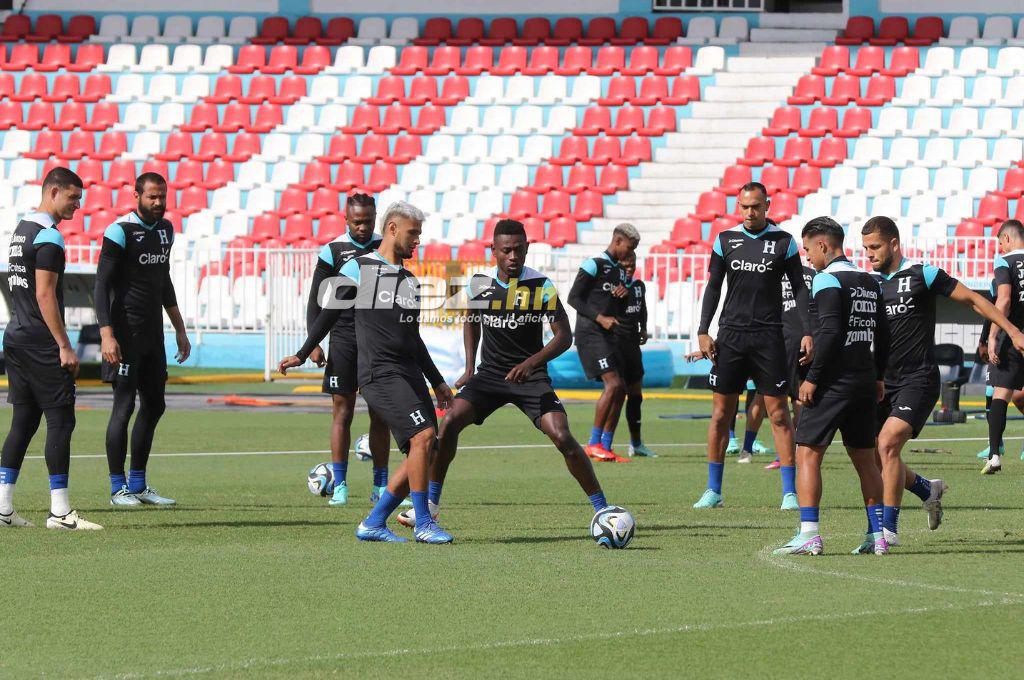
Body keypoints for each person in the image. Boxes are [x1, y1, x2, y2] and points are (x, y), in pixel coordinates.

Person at [396, 219, 615, 530]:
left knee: (562, 435)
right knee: (450, 421)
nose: (514, 256)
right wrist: (471, 366)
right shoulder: (480, 284)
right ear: (493, 251)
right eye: (507, 251)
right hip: (489, 376)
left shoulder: (541, 286)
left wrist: (531, 363)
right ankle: (430, 505)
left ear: (527, 250)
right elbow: (472, 321)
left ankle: (602, 508)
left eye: (520, 250)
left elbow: (564, 336)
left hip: (531, 378)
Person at [279, 201, 455, 544]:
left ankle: (374, 522)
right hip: (379, 373)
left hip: (408, 372)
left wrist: (437, 381)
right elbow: (330, 312)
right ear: (392, 229)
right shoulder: (360, 268)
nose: (417, 240)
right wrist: (303, 353)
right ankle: (423, 523)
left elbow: (413, 339)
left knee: (427, 445)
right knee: (421, 439)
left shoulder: (409, 280)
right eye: (413, 233)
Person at [861, 216, 1024, 547]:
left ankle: (888, 532)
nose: (869, 254)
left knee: (888, 443)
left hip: (919, 378)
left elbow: (975, 301)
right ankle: (927, 489)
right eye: (865, 248)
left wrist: (1011, 329)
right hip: (882, 381)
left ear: (894, 243)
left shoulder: (924, 273)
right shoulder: (871, 285)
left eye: (875, 247)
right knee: (877, 455)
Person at [774, 217, 890, 556]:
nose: (808, 258)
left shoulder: (826, 280)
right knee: (866, 460)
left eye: (809, 249)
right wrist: (879, 376)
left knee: (807, 454)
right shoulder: (869, 281)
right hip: (864, 381)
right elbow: (882, 334)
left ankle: (809, 533)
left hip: (832, 383)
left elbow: (830, 333)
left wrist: (812, 378)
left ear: (823, 245)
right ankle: (878, 535)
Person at [694, 183, 812, 510]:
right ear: (738, 205)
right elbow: (713, 288)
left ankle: (789, 492)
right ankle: (713, 490)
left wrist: (807, 331)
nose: (750, 212)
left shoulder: (784, 242)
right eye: (745, 207)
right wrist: (703, 330)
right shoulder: (724, 240)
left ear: (767, 206)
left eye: (757, 207)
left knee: (778, 414)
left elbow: (800, 290)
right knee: (721, 414)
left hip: (769, 337)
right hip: (730, 336)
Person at [0, 167, 100, 530]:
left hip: (15, 336)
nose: (79, 205)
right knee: (61, 419)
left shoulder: (20, 231)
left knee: (23, 423)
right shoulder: (49, 237)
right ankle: (60, 511)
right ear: (53, 191)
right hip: (42, 342)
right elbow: (44, 294)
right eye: (73, 197)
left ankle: (3, 507)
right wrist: (64, 345)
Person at [96, 173, 190, 507]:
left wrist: (179, 328)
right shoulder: (119, 232)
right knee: (124, 406)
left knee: (155, 404)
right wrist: (106, 335)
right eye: (152, 197)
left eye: (162, 196)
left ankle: (138, 483)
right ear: (136, 195)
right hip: (124, 335)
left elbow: (163, 280)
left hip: (153, 334)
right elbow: (101, 286)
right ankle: (117, 488)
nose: (159, 203)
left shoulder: (166, 231)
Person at [303, 193, 399, 507]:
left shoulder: (383, 246)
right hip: (343, 339)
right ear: (346, 219)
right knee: (341, 413)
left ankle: (380, 485)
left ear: (376, 220)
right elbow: (317, 299)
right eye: (357, 221)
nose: (362, 227)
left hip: (376, 340)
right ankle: (341, 484)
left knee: (381, 413)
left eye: (368, 221)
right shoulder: (333, 251)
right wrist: (314, 341)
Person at [567, 223, 640, 463]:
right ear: (618, 241)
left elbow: (612, 307)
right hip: (590, 334)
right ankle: (592, 443)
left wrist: (621, 297)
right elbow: (573, 298)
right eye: (629, 248)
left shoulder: (619, 271)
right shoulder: (594, 264)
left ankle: (605, 446)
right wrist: (600, 318)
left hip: (608, 336)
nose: (630, 254)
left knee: (620, 389)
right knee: (614, 385)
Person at [983, 219, 1024, 474]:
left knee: (1002, 392)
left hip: (1014, 335)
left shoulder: (1004, 262)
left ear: (1007, 240)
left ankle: (994, 455)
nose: (1000, 249)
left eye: (1000, 243)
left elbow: (1005, 299)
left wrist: (993, 335)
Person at [615, 252, 656, 458]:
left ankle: (636, 443)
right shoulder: (611, 287)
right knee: (616, 394)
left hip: (633, 345)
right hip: (615, 345)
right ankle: (604, 444)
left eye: (632, 264)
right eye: (625, 264)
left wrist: (644, 328)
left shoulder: (638, 286)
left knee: (636, 395)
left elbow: (643, 309)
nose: (629, 267)